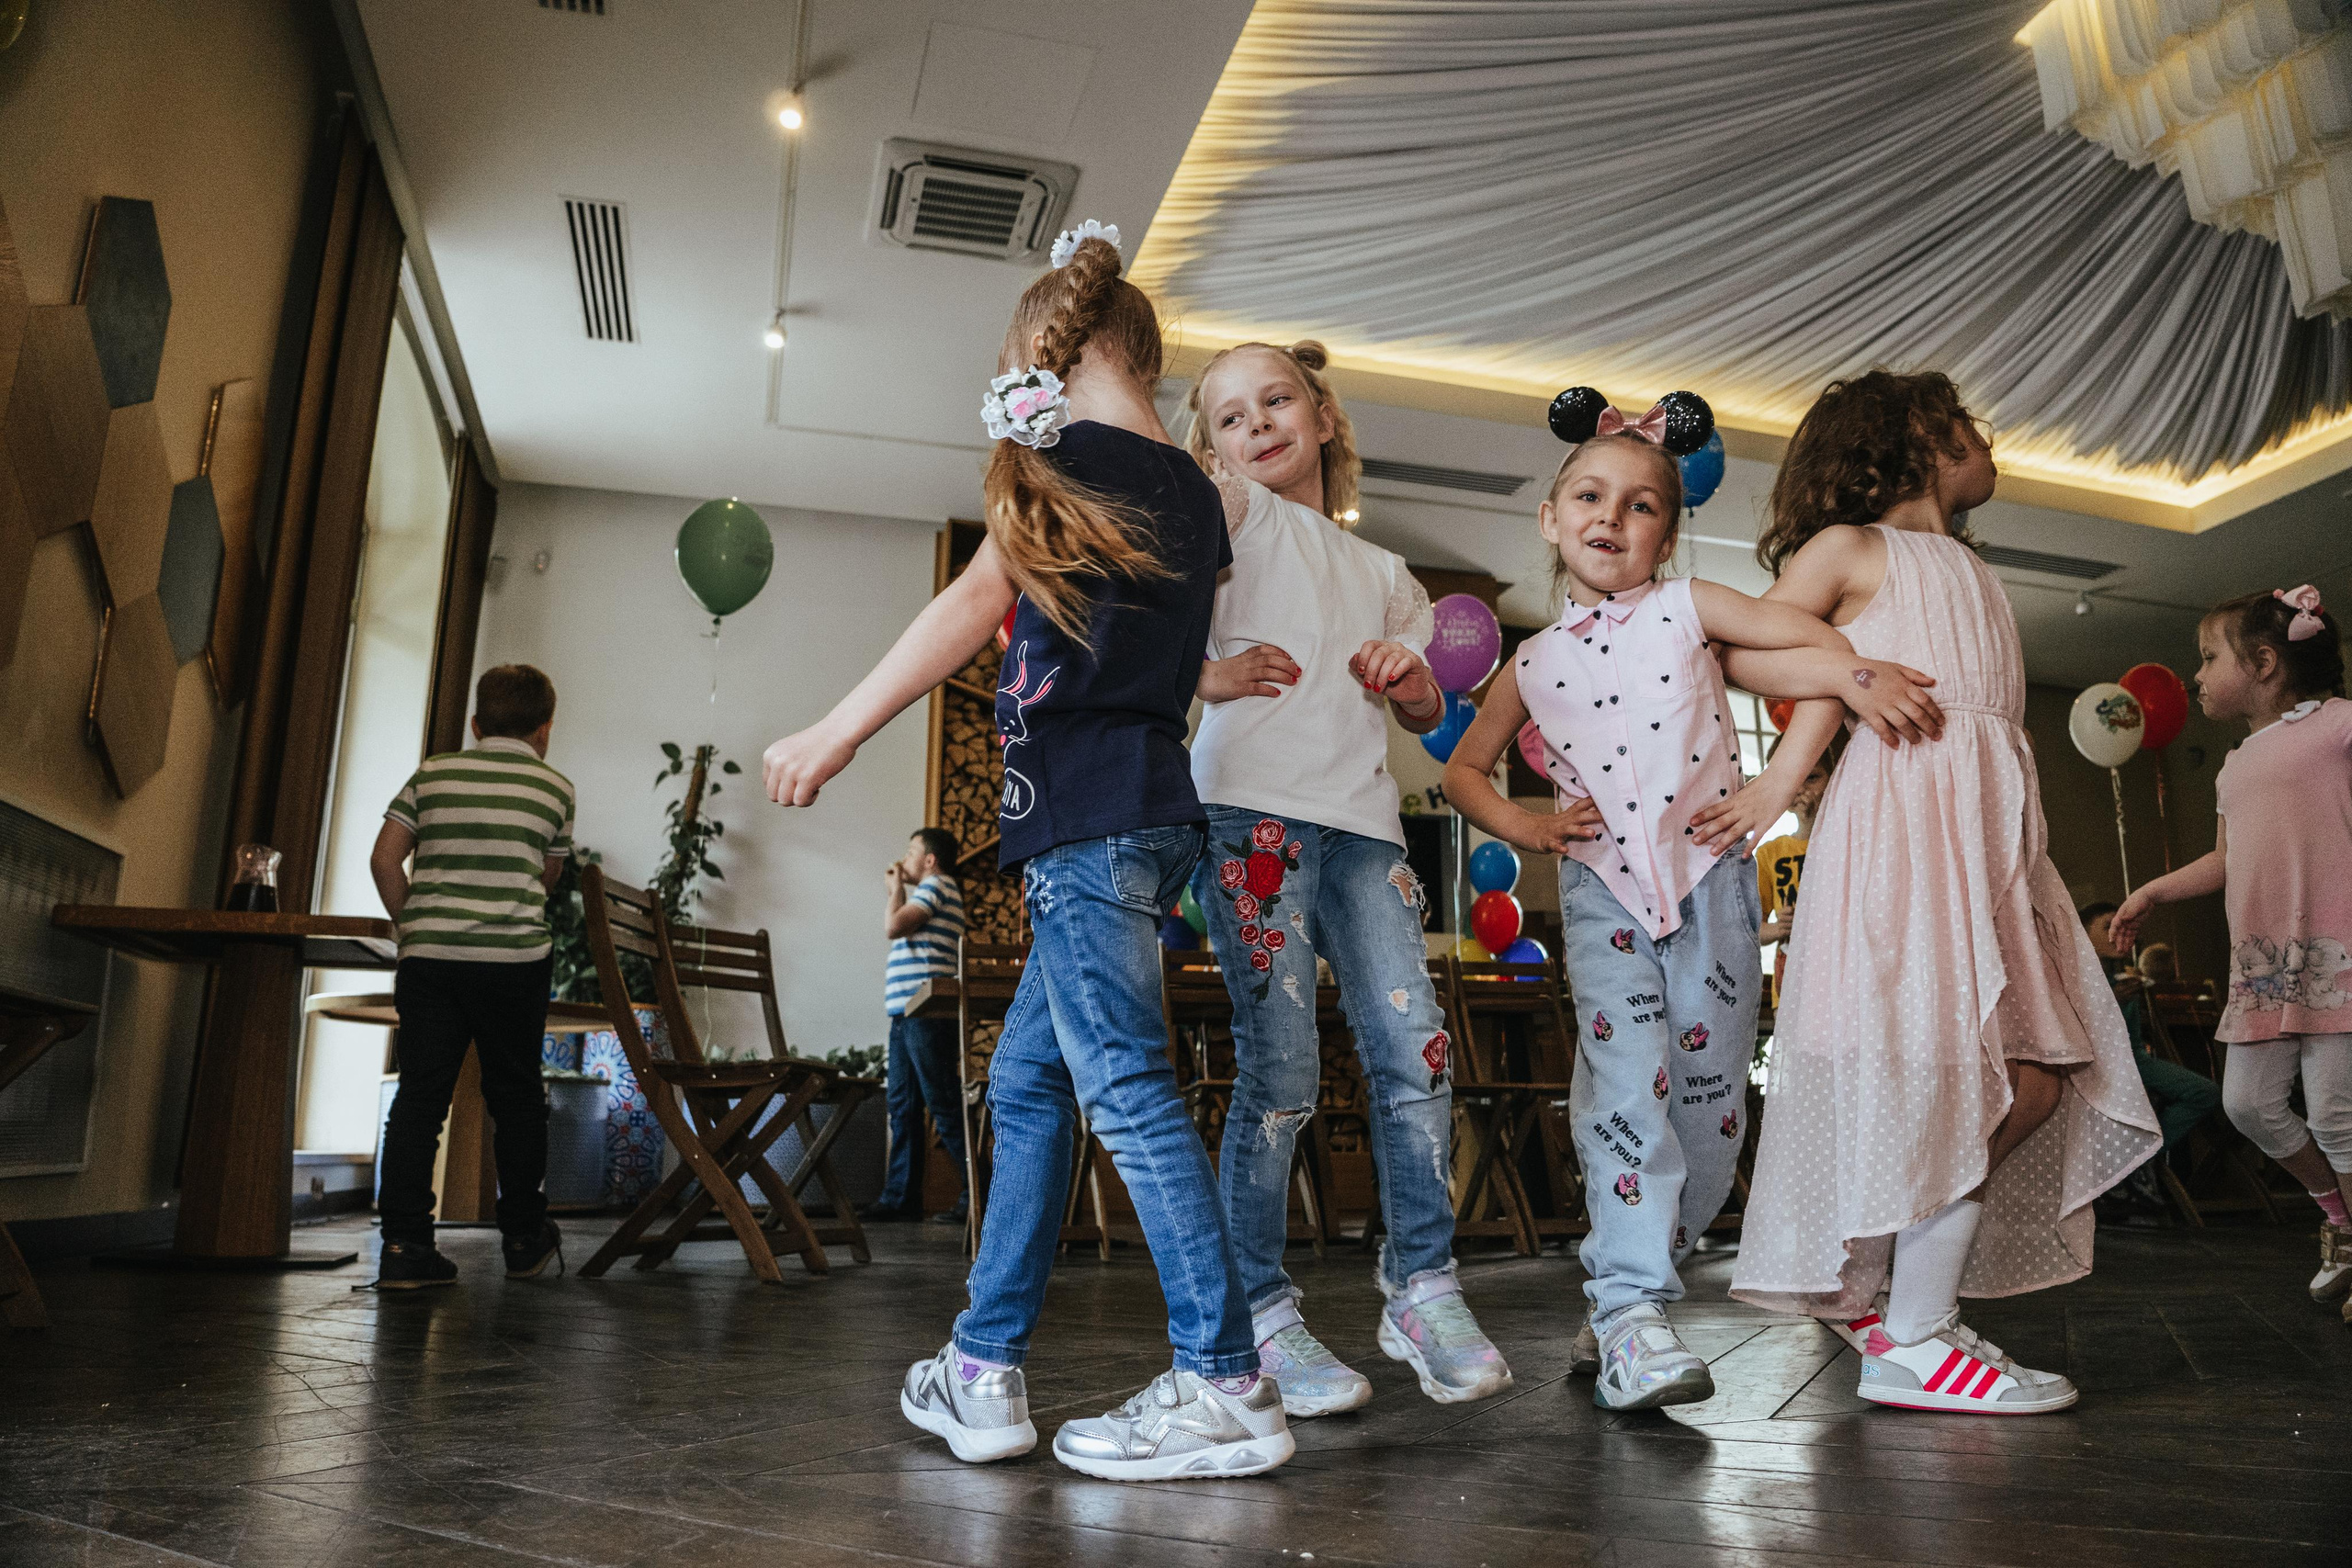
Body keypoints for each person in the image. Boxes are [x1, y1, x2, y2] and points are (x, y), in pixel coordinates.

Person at [760, 222, 1290, 1479]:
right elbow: (1146, 652)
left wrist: (835, 729)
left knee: (1124, 1086)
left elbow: (971, 604)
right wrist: (1219, 671)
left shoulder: (1069, 462)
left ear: (1067, 351)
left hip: (1088, 824)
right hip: (1154, 818)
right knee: (1036, 1083)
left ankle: (1225, 1382)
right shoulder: (1195, 493)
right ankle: (984, 1366)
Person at [1442, 388, 1917, 1411]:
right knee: (1626, 1089)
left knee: (1710, 1112)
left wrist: (1791, 762)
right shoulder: (1530, 660)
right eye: (1589, 496)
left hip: (1713, 887)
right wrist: (1526, 828)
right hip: (1603, 890)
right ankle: (1627, 1311)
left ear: (1670, 527)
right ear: (1551, 516)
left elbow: (1809, 645)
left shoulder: (1691, 608)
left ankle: (1632, 1289)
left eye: (1641, 503)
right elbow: (1465, 773)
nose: (1611, 518)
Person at [1714, 369, 2158, 1415]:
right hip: (1908, 830)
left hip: (1988, 840)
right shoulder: (1853, 547)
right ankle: (1912, 1334)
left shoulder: (1968, 565)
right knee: (1965, 1074)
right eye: (1965, 425)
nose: (1984, 442)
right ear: (1916, 437)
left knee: (2035, 1075)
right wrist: (1847, 676)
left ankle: (1901, 1305)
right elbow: (1741, 647)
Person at [1181, 340, 1510, 1416]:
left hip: (1364, 829)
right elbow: (1127, 602)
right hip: (1249, 818)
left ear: (1322, 417)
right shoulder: (1228, 513)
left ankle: (1419, 1284)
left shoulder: (1387, 575)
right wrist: (1202, 671)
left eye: (1276, 401)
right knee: (1277, 1071)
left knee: (1415, 1054)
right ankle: (1260, 1315)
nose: (1256, 425)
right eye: (1228, 416)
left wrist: (1408, 675)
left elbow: (1421, 712)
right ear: (1211, 446)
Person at [2112, 586, 2352, 1315]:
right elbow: (2227, 856)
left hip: (2334, 948)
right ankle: (2341, 1221)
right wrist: (2154, 889)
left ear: (2267, 663)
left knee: (2338, 1112)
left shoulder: (2341, 726)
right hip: (2263, 964)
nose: (2198, 674)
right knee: (2246, 1103)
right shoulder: (2235, 763)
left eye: (2210, 657)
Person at [367, 664, 574, 1290]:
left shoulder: (433, 772)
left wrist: (416, 925)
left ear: (476, 725)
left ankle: (405, 1245)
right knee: (515, 1098)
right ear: (545, 730)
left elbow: (383, 857)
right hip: (513, 963)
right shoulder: (554, 788)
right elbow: (548, 877)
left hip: (431, 963)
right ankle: (522, 1240)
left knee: (420, 1096)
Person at [2079, 900, 2220, 1216]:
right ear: (2084, 935)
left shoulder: (2124, 974)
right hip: (2099, 1067)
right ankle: (2125, 1168)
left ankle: (2137, 1158)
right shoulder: (2078, 978)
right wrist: (2113, 1000)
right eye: (2107, 926)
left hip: (2136, 1062)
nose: (2119, 932)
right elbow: (2077, 1034)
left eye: (2124, 926)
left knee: (2205, 1092)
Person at [867, 826, 968, 1225]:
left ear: (929, 860)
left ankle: (977, 1195)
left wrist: (896, 889)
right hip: (908, 1014)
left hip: (927, 1011)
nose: (905, 860)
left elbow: (894, 927)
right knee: (903, 1106)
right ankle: (900, 1198)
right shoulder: (936, 888)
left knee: (942, 1101)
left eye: (912, 853)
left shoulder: (938, 884)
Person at [1755, 743, 1833, 1009]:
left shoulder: (1846, 845)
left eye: (1812, 777)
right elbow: (1751, 930)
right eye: (1792, 779)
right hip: (1791, 984)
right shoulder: (1769, 853)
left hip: (1839, 973)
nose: (1801, 788)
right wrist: (1779, 928)